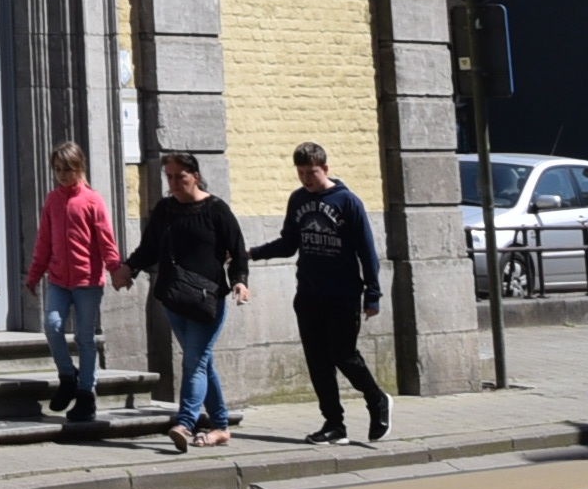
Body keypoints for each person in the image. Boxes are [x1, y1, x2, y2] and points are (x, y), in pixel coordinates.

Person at [254, 139, 392, 444]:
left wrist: (373, 294)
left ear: (325, 168)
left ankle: (376, 399)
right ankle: (334, 424)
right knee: (318, 361)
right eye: (301, 172)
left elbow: (366, 252)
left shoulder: (347, 201)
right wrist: (252, 253)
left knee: (343, 354)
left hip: (342, 294)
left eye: (311, 172)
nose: (306, 178)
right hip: (309, 294)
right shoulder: (297, 200)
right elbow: (289, 243)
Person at [122, 148, 250, 449]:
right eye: (169, 177)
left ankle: (185, 423)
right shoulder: (165, 210)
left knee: (194, 362)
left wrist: (241, 283)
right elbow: (149, 248)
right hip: (174, 300)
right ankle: (220, 427)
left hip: (207, 302)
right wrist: (129, 268)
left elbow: (238, 251)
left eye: (180, 176)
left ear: (195, 176)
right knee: (202, 363)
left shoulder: (217, 210)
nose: (174, 183)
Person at [26, 139, 120, 435]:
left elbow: (106, 239)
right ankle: (68, 377)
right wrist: (34, 273)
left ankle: (86, 394)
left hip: (87, 281)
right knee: (52, 325)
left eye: (68, 169)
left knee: (84, 338)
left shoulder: (92, 201)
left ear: (80, 168)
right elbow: (44, 241)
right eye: (57, 169)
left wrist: (115, 268)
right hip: (58, 280)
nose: (63, 175)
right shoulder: (52, 201)